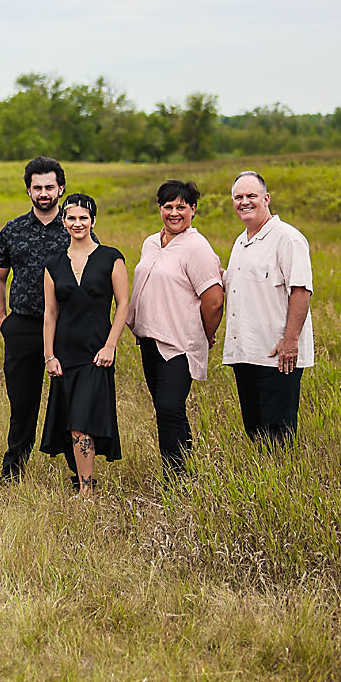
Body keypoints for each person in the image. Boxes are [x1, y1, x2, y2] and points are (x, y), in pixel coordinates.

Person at [0, 154, 78, 485]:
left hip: (66, 329)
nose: (43, 193)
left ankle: (78, 471)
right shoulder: (12, 231)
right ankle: (13, 470)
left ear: (61, 188)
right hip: (23, 327)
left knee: (69, 400)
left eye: (49, 187)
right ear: (28, 190)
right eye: (37, 187)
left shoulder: (75, 228)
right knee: (22, 403)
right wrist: (4, 322)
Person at [128, 179, 223, 477]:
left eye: (181, 207)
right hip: (149, 339)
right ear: (159, 208)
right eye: (167, 206)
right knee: (166, 410)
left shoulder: (196, 247)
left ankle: (175, 479)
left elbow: (214, 300)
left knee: (170, 407)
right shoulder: (151, 242)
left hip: (180, 343)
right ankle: (184, 474)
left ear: (193, 209)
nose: (174, 213)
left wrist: (206, 335)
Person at [40, 193, 128, 494]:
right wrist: (49, 355)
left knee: (82, 420)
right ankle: (83, 482)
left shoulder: (111, 258)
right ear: (63, 222)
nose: (77, 223)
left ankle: (86, 491)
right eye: (72, 218)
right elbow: (50, 313)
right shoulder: (53, 264)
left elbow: (123, 304)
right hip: (65, 354)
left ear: (93, 220)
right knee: (70, 420)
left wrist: (110, 345)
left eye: (83, 218)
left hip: (96, 354)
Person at [222, 171, 314, 444]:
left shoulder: (287, 238)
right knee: (255, 429)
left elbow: (301, 291)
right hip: (246, 351)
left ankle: (284, 472)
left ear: (266, 198)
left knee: (278, 432)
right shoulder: (241, 241)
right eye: (238, 197)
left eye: (251, 195)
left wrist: (290, 341)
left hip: (277, 354)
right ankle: (265, 472)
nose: (244, 202)